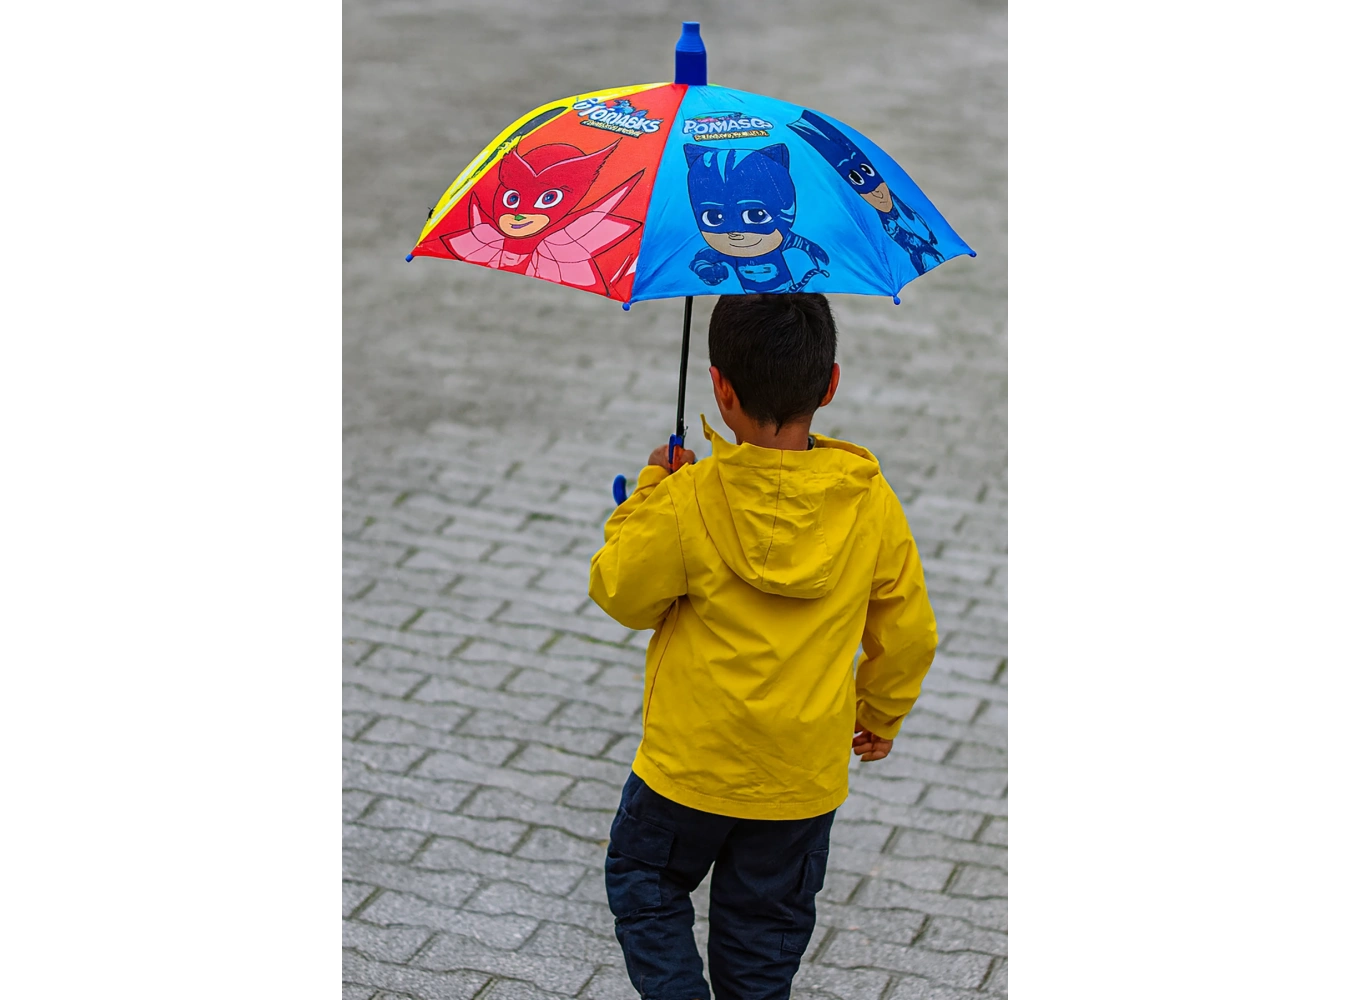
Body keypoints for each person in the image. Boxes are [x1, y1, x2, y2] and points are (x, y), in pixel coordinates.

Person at [589, 292, 938, 999]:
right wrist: (880, 712)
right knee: (763, 939)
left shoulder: (691, 496)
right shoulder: (868, 500)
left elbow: (620, 591)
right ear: (831, 383)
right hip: (799, 780)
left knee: (645, 881)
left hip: (688, 766)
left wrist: (653, 486)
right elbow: (909, 630)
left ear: (718, 387)